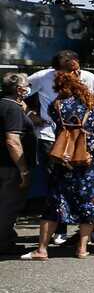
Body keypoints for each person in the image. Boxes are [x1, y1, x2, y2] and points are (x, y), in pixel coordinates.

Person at [21, 63, 94, 260]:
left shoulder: (58, 105)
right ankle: (81, 248)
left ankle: (42, 249)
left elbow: (56, 127)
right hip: (92, 162)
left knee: (55, 203)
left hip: (65, 160)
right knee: (89, 203)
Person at [0, 73, 34, 253]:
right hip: (10, 167)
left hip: (4, 164)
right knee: (8, 205)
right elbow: (12, 141)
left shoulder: (6, 105)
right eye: (27, 84)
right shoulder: (12, 109)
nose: (29, 87)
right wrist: (24, 170)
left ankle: (6, 238)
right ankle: (3, 242)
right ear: (20, 89)